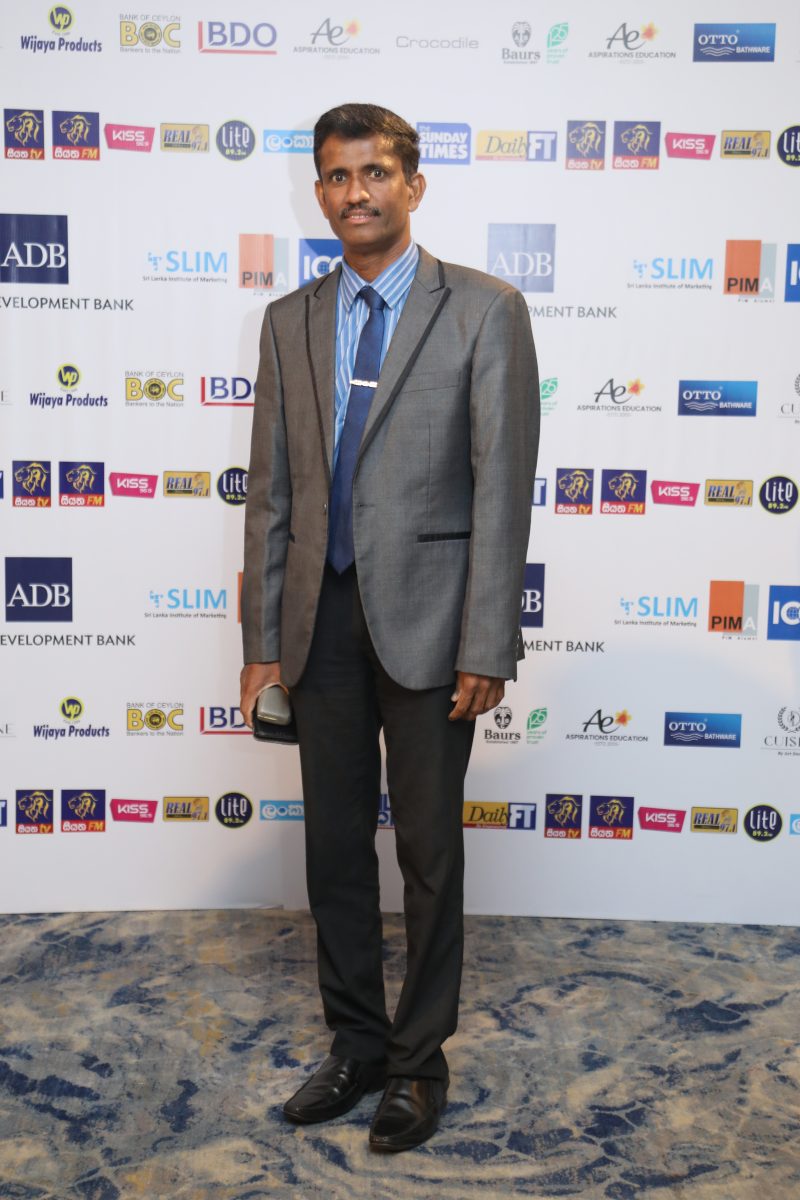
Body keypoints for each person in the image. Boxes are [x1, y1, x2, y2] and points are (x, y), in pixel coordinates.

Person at [240, 102, 539, 1152]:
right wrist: (261, 646)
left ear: (412, 184)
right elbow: (271, 495)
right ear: (317, 192)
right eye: (335, 175)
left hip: (432, 624)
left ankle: (418, 1063)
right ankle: (357, 1043)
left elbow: (502, 488)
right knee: (332, 850)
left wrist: (486, 642)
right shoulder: (289, 320)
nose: (354, 192)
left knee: (426, 853)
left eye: (373, 172)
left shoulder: (485, 310)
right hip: (317, 626)